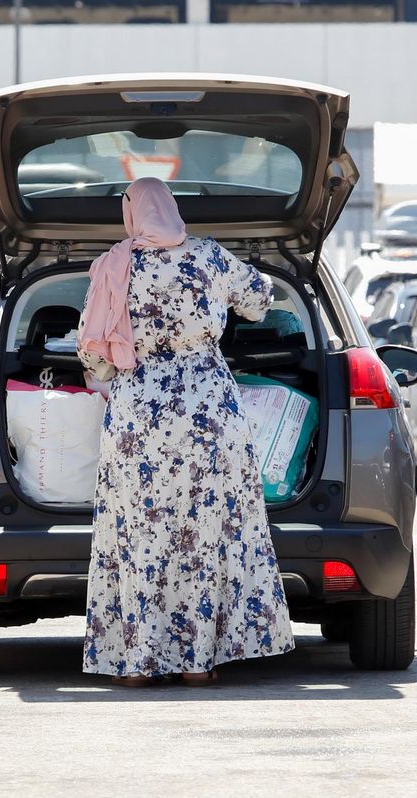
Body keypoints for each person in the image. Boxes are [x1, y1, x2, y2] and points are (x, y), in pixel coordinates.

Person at [77, 177, 295, 686]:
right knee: (204, 536)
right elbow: (261, 299)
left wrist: (118, 366)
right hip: (208, 412)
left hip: (139, 415)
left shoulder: (113, 265)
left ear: (131, 213)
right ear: (171, 209)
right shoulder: (210, 257)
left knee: (139, 536)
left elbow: (91, 352)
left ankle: (136, 663)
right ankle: (198, 662)